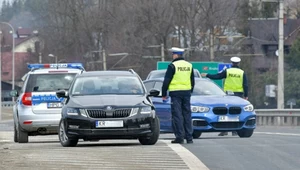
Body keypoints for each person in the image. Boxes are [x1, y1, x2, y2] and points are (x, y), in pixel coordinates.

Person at [201, 56, 248, 136]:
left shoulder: (228, 71)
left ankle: (224, 130)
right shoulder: (242, 72)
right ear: (239, 63)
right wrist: (246, 95)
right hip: (238, 95)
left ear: (232, 63)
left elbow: (218, 76)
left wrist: (207, 75)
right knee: (235, 112)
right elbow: (245, 85)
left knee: (225, 112)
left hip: (228, 95)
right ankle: (235, 130)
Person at [162, 47, 195, 144]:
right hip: (186, 93)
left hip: (176, 93)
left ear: (176, 55)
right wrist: (190, 91)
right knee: (187, 114)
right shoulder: (189, 65)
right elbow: (192, 80)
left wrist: (164, 93)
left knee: (177, 115)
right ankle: (189, 137)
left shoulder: (172, 66)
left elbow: (166, 80)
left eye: (173, 54)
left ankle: (180, 137)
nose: (172, 56)